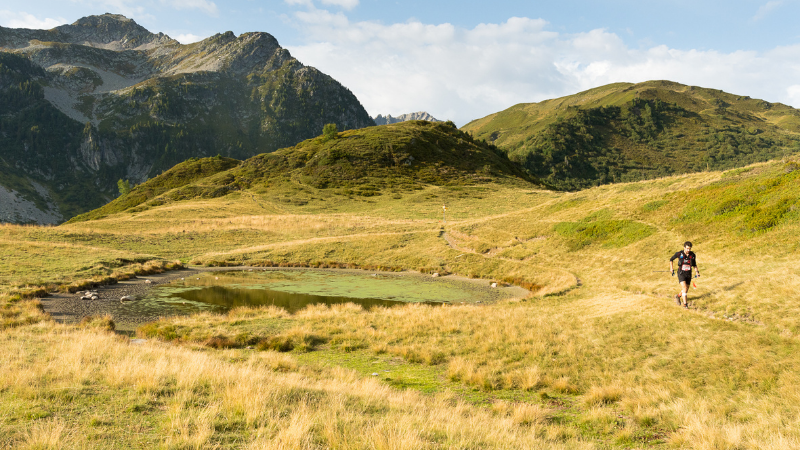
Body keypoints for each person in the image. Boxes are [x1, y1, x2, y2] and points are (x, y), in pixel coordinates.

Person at [670, 241, 700, 308]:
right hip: (681, 273)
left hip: (688, 273)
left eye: (689, 249)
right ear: (684, 247)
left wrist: (697, 272)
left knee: (686, 289)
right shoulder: (679, 254)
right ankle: (685, 305)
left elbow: (694, 265)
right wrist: (671, 268)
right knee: (684, 287)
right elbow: (671, 259)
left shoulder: (692, 255)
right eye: (687, 248)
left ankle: (678, 296)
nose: (688, 250)